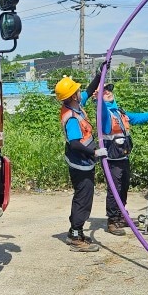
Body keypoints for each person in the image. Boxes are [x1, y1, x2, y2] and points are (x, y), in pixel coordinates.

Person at [85, 67, 148, 235]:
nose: (108, 92)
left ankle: (121, 215)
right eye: (104, 92)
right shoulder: (103, 113)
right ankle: (112, 221)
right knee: (114, 189)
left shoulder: (118, 111)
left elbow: (137, 118)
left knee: (124, 187)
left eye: (109, 90)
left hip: (123, 157)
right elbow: (101, 109)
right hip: (111, 159)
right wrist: (99, 100)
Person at [54, 73, 106, 253]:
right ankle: (75, 236)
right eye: (77, 90)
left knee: (84, 196)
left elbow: (90, 90)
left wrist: (100, 74)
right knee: (83, 199)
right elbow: (75, 143)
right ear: (71, 96)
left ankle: (76, 231)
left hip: (85, 161)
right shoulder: (71, 118)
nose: (80, 91)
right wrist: (94, 152)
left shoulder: (76, 105)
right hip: (80, 163)